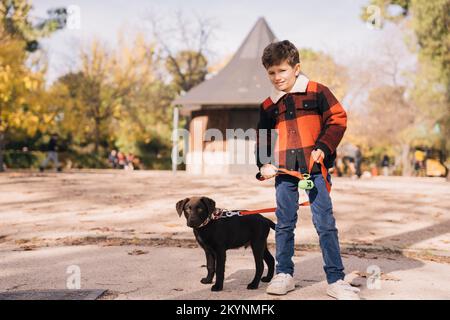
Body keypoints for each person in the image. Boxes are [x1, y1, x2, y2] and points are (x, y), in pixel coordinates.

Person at [256, 40, 359, 299]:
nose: (277, 77)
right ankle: (284, 274)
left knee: (325, 224)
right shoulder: (269, 105)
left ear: (296, 68)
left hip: (315, 170)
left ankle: (335, 279)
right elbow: (263, 138)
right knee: (284, 224)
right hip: (284, 173)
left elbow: (337, 118)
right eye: (271, 72)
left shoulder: (317, 92)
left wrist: (324, 146)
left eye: (282, 71)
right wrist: (264, 164)